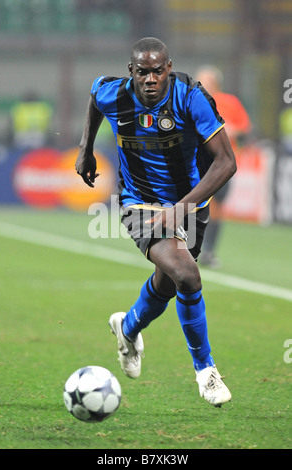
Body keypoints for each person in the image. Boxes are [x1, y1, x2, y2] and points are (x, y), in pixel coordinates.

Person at [75, 38, 237, 407]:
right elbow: (93, 97)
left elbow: (226, 162)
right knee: (188, 275)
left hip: (190, 204)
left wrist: (182, 208)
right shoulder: (114, 93)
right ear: (131, 72)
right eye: (143, 72)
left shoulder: (190, 97)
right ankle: (205, 371)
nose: (151, 79)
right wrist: (86, 149)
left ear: (169, 68)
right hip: (140, 204)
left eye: (158, 71)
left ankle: (127, 328)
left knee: (167, 286)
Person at [196, 66, 252, 268]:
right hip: (197, 161)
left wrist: (226, 130)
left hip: (222, 162)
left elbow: (243, 128)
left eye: (206, 80)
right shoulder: (192, 101)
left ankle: (209, 250)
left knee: (217, 207)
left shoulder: (230, 103)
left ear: (216, 83)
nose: (201, 84)